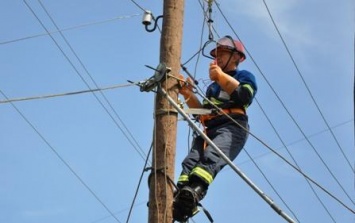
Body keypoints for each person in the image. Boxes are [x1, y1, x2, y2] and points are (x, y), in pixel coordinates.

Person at [173, 36, 258, 222]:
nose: (218, 57)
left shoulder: (244, 76)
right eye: (216, 54)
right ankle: (181, 201)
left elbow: (244, 96)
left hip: (232, 125)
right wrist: (186, 93)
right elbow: (201, 113)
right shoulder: (212, 87)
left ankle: (195, 192)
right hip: (210, 127)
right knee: (190, 162)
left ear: (237, 57)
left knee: (211, 157)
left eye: (223, 53)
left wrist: (220, 76)